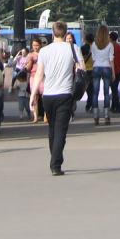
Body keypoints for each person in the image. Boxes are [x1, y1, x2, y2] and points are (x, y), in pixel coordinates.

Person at [38, 22, 84, 175]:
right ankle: (55, 164)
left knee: (52, 128)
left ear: (52, 33)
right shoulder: (73, 48)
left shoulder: (44, 51)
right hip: (65, 94)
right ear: (65, 34)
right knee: (61, 131)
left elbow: (39, 74)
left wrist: (33, 95)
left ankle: (54, 157)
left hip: (47, 96)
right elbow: (82, 69)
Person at [87, 26, 118, 126]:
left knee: (95, 92)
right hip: (106, 67)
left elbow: (94, 58)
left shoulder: (94, 44)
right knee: (106, 93)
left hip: (96, 67)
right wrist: (113, 72)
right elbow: (111, 60)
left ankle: (96, 116)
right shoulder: (110, 45)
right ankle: (106, 116)